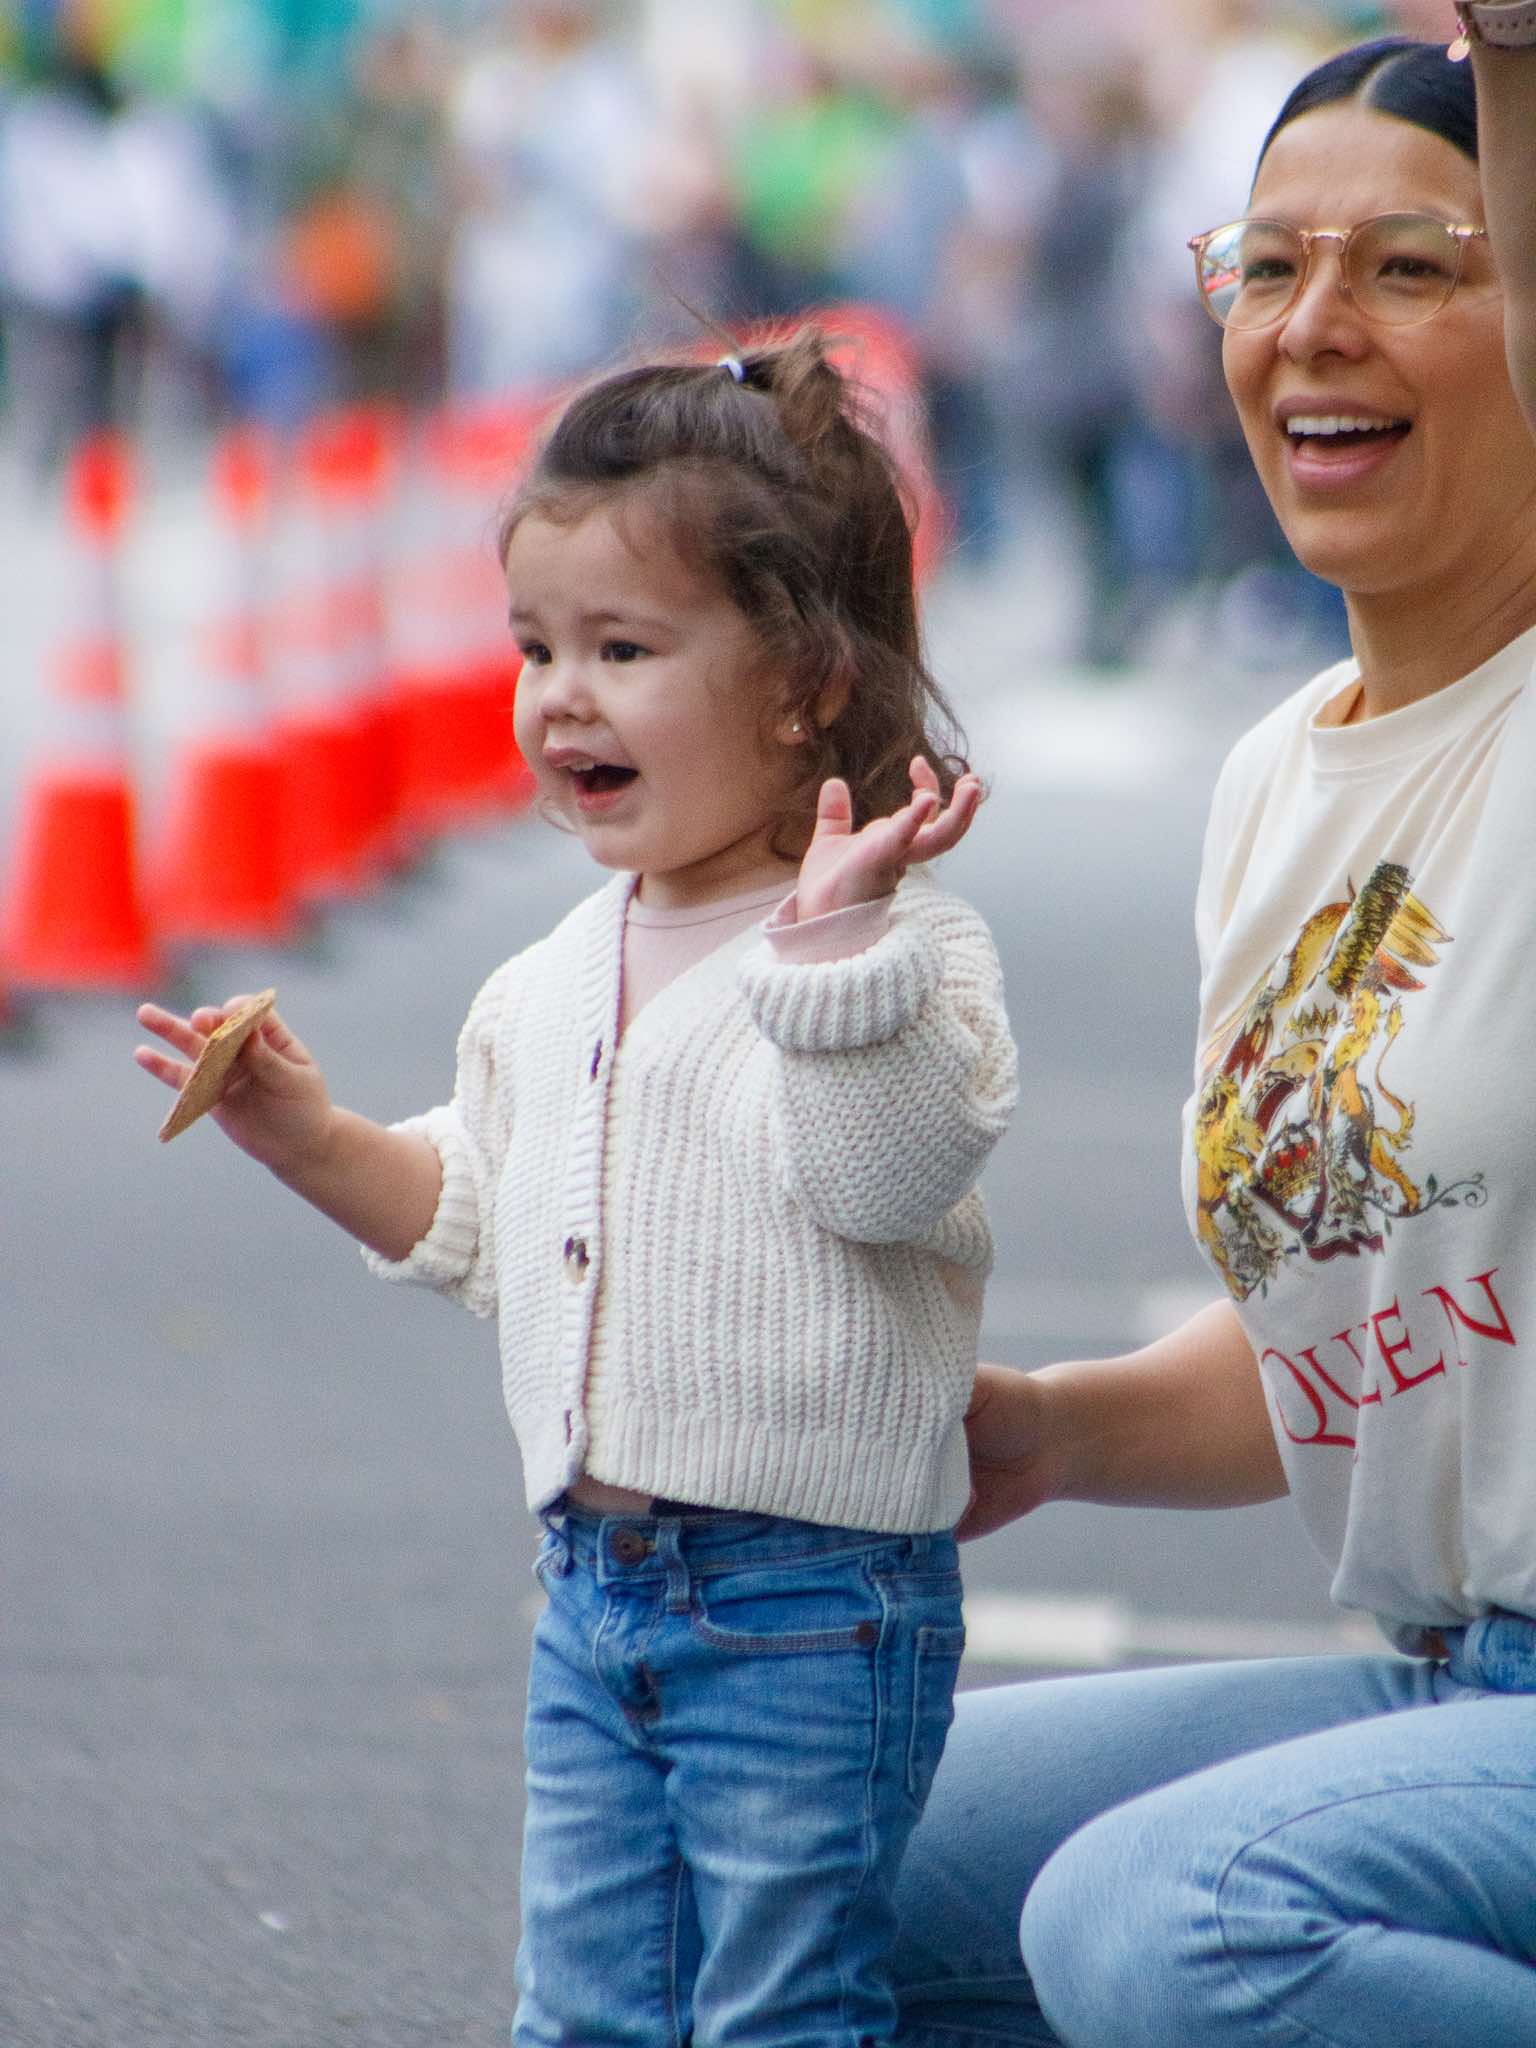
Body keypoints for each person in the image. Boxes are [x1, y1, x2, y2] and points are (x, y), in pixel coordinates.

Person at [133, 330, 1018, 2048]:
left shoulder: (910, 954)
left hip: (809, 1606)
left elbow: (888, 1178)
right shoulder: (552, 975)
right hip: (593, 1592)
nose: (560, 697)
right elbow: (486, 1212)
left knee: (782, 2011)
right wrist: (314, 1141)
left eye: (624, 648)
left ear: (805, 682)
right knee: (587, 2012)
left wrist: (833, 953)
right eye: (535, 646)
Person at [886, 28, 1536, 2048]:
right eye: (1266, 266)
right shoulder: (1277, 780)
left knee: (1179, 1923)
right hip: (1451, 1688)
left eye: (1413, 267)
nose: (1316, 324)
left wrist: (1517, 46)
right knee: (786, 1844)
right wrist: (1052, 1431)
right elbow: (1383, 1318)